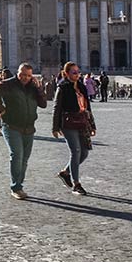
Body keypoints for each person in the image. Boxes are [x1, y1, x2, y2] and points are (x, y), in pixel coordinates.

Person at [0, 63, 47, 200]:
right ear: (17, 73)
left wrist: (39, 88)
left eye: (28, 75)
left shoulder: (33, 87)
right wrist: (1, 109)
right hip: (11, 125)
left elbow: (43, 104)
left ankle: (19, 184)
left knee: (24, 159)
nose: (25, 77)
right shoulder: (8, 84)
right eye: (22, 74)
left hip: (29, 127)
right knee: (17, 155)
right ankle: (16, 187)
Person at [52, 61, 95, 195]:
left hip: (82, 121)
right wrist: (55, 127)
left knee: (84, 153)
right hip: (68, 122)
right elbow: (57, 107)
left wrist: (92, 124)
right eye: (74, 72)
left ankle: (65, 172)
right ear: (66, 74)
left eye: (78, 72)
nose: (77, 74)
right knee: (75, 151)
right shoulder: (62, 87)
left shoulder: (82, 87)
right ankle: (76, 184)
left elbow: (88, 107)